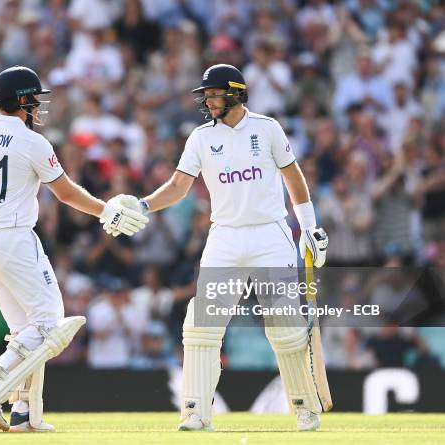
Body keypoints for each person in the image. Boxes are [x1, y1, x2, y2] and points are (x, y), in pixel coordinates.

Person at [108, 64, 329, 431]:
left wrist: (309, 227)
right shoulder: (199, 138)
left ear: (236, 94)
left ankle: (304, 407)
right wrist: (144, 204)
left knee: (285, 326)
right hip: (224, 236)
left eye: (213, 95)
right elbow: (179, 186)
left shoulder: (267, 127)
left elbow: (293, 177)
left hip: (269, 234)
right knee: (200, 326)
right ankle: (196, 412)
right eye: (206, 96)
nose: (208, 102)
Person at [0, 66, 148, 432]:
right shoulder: (32, 142)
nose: (37, 107)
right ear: (22, 101)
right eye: (34, 99)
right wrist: (105, 209)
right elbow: (63, 192)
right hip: (14, 237)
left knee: (26, 331)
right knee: (49, 321)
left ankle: (25, 414)